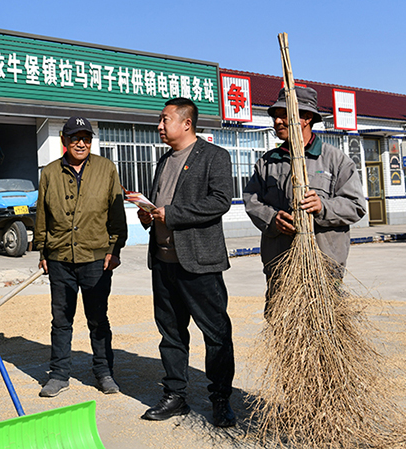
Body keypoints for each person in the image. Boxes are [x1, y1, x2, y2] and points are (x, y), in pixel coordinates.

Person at [138, 98, 236, 428]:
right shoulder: (164, 161)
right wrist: (148, 214)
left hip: (199, 263)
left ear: (186, 123)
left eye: (165, 120)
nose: (159, 126)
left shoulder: (214, 157)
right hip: (164, 261)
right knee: (171, 334)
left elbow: (220, 201)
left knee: (216, 334)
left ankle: (221, 399)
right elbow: (162, 205)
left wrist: (172, 214)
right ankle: (175, 396)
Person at [242, 86, 366, 315]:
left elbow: (356, 206)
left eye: (284, 114)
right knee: (282, 326)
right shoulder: (268, 162)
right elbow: (251, 200)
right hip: (280, 263)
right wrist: (272, 218)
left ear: (307, 118)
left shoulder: (335, 160)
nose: (277, 121)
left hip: (323, 266)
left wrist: (323, 207)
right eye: (275, 116)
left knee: (326, 326)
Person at [33, 116, 128, 398]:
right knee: (61, 319)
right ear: (64, 141)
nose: (81, 143)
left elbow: (116, 214)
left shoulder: (106, 169)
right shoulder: (50, 173)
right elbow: (42, 214)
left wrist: (115, 249)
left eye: (86, 138)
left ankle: (104, 372)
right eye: (75, 138)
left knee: (98, 318)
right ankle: (59, 374)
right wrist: (43, 249)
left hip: (96, 257)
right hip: (60, 256)